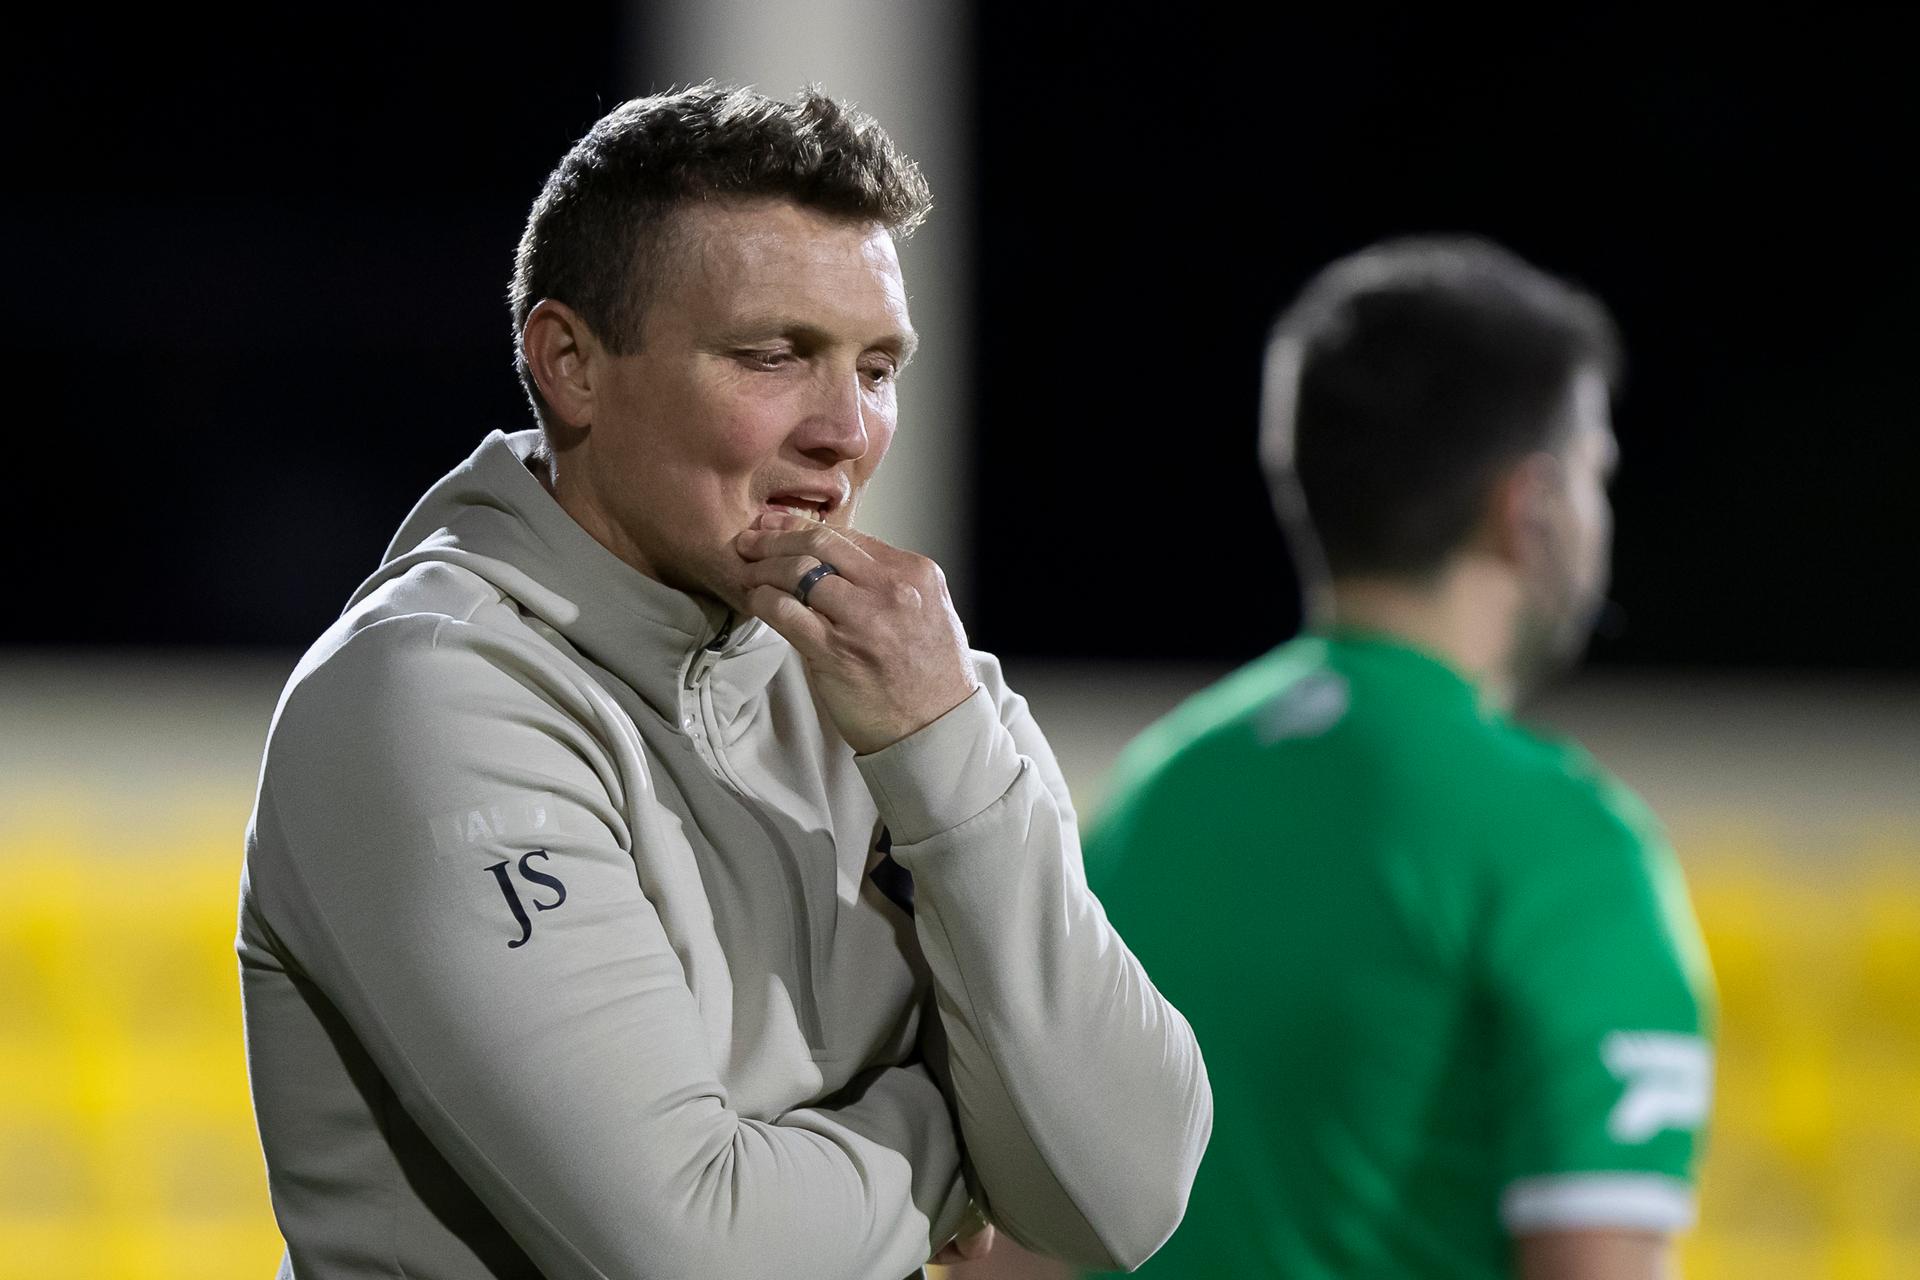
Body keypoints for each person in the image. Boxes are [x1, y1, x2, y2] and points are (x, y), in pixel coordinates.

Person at [236, 83, 1210, 1280]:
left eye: (878, 367)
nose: (845, 429)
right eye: (774, 355)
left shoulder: (908, 683)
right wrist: (974, 1144)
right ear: (571, 364)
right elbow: (699, 1252)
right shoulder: (423, 697)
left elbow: (1130, 1187)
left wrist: (945, 749)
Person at [1082, 238, 1715, 1279]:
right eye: (1598, 470)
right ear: (1531, 506)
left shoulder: (1149, 798)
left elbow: (1016, 1248)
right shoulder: (1563, 843)